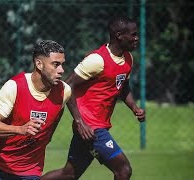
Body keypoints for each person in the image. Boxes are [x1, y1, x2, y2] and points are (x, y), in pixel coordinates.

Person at [41, 16, 146, 180]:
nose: (136, 38)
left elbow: (122, 86)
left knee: (68, 175)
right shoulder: (97, 60)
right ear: (119, 35)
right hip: (90, 127)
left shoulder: (128, 59)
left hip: (93, 127)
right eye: (133, 34)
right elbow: (67, 86)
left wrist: (134, 108)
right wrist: (80, 122)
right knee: (123, 170)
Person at [0, 40, 71, 180]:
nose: (61, 70)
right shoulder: (14, 87)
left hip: (28, 171)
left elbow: (57, 115)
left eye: (62, 64)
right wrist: (20, 130)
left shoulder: (64, 91)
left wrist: (46, 137)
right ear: (39, 64)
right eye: (55, 64)